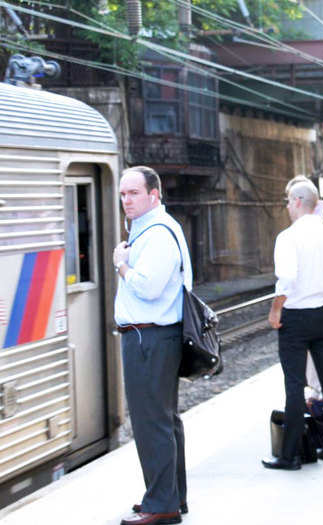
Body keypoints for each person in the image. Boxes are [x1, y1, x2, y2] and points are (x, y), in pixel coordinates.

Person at [113, 166, 192, 525]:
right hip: (154, 337)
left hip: (150, 337)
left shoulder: (158, 234)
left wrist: (122, 266)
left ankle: (162, 504)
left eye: (134, 193)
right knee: (164, 420)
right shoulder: (151, 230)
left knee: (151, 422)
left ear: (154, 195)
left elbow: (147, 287)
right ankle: (170, 496)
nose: (126, 200)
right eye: (123, 194)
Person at [263, 181, 323, 470]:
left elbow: (286, 280)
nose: (287, 207)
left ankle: (289, 456)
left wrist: (276, 310)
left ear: (298, 201)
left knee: (294, 385)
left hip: (296, 317)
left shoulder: (288, 238)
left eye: (288, 201)